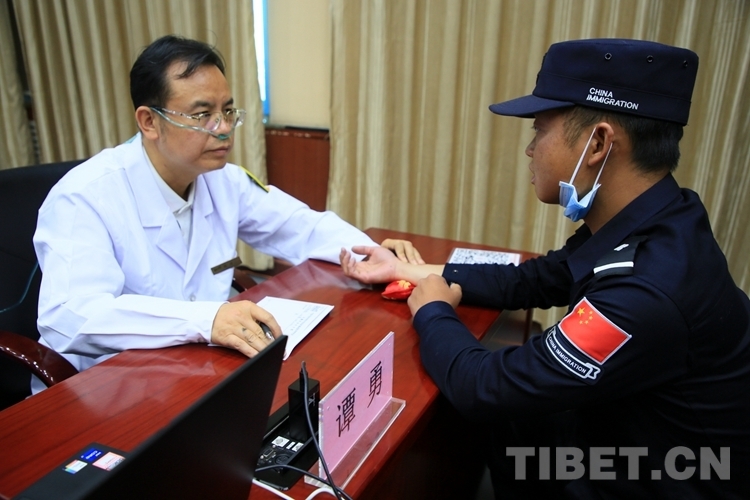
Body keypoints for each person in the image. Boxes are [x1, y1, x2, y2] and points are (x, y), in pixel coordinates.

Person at [340, 39, 750, 498]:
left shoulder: (644, 293)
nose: (530, 149)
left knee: (498, 414)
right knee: (516, 426)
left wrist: (433, 311)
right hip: (635, 430)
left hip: (669, 476)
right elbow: (538, 278)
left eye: (539, 130)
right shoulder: (661, 213)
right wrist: (407, 270)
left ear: (598, 143)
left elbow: (484, 386)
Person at [32, 35, 423, 391]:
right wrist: (206, 321)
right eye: (202, 114)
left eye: (228, 110)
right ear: (149, 122)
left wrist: (372, 256)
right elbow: (70, 315)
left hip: (195, 372)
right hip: (107, 388)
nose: (223, 129)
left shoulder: (223, 180)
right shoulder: (84, 197)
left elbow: (301, 226)